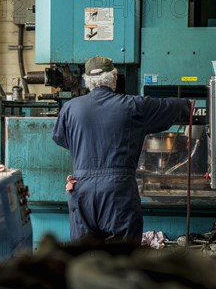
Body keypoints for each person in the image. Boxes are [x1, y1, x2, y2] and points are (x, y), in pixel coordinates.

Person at [52, 56, 190, 244]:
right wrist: (188, 105)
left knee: (83, 258)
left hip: (81, 190)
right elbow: (171, 107)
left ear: (87, 80)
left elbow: (63, 139)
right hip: (117, 192)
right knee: (122, 261)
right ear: (114, 78)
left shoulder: (69, 108)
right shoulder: (133, 106)